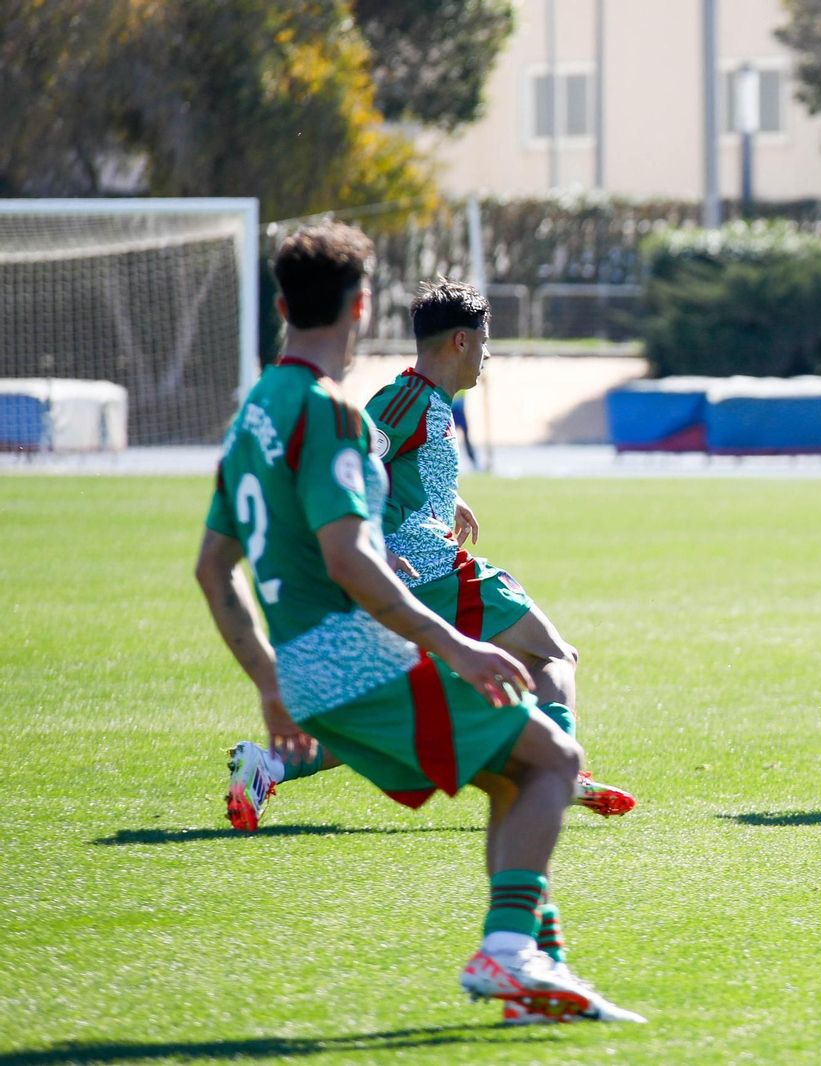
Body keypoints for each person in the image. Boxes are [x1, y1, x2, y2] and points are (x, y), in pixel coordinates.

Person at [197, 222, 641, 1024]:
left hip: (307, 665)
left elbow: (211, 566)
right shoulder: (335, 410)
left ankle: (533, 971)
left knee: (521, 761)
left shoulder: (257, 411)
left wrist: (270, 684)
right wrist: (449, 635)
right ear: (360, 307)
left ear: (279, 303)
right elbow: (347, 543)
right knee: (548, 753)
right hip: (368, 633)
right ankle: (511, 955)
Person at [226, 278, 635, 831]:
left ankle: (267, 764)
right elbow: (342, 464)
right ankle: (556, 770)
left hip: (414, 571)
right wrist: (375, 543)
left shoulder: (426, 403)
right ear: (461, 343)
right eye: (485, 342)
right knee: (554, 656)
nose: (488, 355)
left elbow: (385, 469)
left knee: (399, 716)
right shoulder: (407, 399)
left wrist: (445, 497)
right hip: (432, 571)